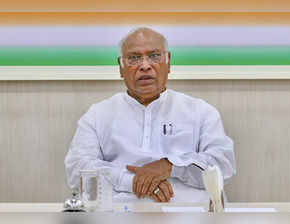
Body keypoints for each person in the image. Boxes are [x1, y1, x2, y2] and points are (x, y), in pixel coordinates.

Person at [64, 27, 236, 203]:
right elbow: (77, 169)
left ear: (168, 63)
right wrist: (131, 181)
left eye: (154, 56)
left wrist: (171, 166)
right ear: (121, 68)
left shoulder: (201, 111)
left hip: (188, 215)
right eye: (134, 58)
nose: (145, 65)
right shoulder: (98, 114)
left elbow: (223, 166)